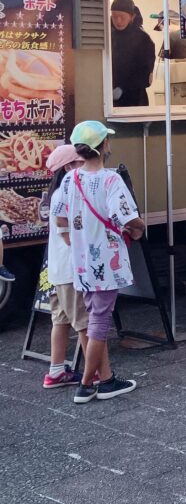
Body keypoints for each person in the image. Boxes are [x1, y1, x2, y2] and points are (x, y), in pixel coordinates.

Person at [55, 121, 145, 403]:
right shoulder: (110, 179)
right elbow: (127, 217)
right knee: (99, 323)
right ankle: (87, 385)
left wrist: (76, 238)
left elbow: (60, 217)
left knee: (95, 316)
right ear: (102, 146)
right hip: (107, 262)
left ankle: (105, 380)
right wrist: (139, 227)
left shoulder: (70, 178)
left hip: (81, 263)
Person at [41, 144, 86, 389]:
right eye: (80, 163)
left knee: (60, 320)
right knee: (84, 323)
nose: (84, 167)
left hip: (56, 270)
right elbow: (71, 235)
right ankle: (97, 374)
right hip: (71, 270)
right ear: (69, 167)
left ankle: (56, 371)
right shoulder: (67, 194)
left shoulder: (54, 193)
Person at [110, 0, 156, 108]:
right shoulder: (108, 36)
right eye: (114, 17)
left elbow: (146, 73)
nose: (118, 21)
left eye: (122, 17)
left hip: (136, 100)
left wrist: (123, 88)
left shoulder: (143, 39)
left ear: (132, 16)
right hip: (110, 101)